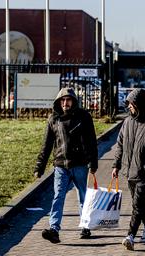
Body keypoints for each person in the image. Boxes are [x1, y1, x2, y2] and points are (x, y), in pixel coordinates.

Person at [34, 87, 98, 243]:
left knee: (83, 196)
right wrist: (39, 167)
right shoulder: (53, 119)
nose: (65, 103)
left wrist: (93, 162)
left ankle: (85, 226)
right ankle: (54, 229)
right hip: (61, 165)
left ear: (73, 101)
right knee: (58, 197)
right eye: (62, 100)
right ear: (58, 102)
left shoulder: (83, 117)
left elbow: (91, 141)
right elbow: (47, 145)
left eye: (68, 100)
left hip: (80, 164)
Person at [112, 88, 145, 251]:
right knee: (140, 204)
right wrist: (116, 164)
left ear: (139, 104)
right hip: (129, 173)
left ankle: (130, 236)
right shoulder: (127, 122)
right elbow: (120, 144)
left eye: (132, 104)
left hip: (144, 174)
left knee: (137, 203)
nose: (129, 107)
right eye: (128, 104)